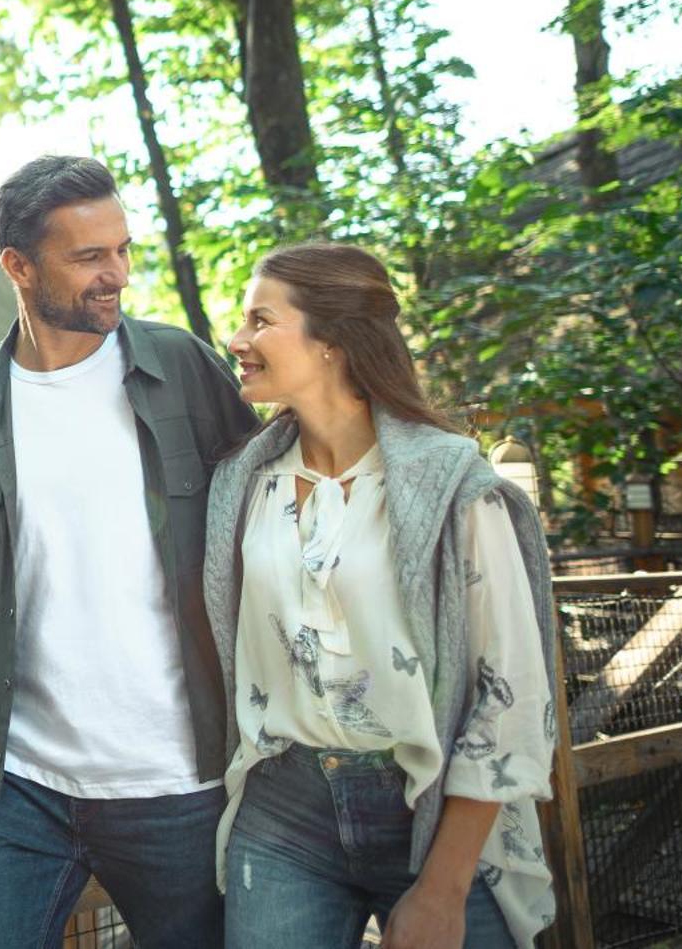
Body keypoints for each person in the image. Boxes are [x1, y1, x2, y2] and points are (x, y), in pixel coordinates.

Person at [0, 155, 260, 948]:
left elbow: (282, 507)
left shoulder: (183, 368)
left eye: (124, 249)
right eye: (90, 256)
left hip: (180, 783)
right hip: (20, 783)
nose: (118, 275)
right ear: (18, 265)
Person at [201, 243, 557, 949]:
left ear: (331, 341)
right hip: (281, 810)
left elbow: (511, 693)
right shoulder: (245, 483)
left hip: (430, 810)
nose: (237, 340)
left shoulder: (454, 486)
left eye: (260, 320)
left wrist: (445, 885)